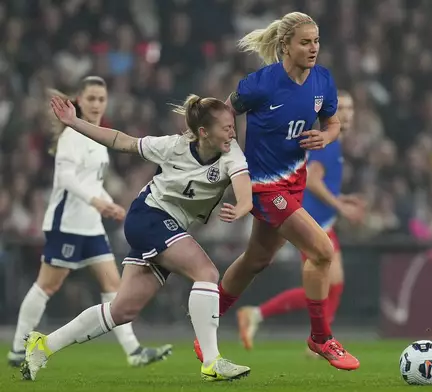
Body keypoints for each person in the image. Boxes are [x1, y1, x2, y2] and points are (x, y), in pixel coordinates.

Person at [21, 93, 252, 382]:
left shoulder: (232, 153)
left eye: (233, 126)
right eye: (226, 128)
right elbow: (121, 141)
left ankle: (43, 346)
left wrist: (242, 208)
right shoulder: (173, 146)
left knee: (122, 310)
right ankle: (212, 361)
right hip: (149, 216)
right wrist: (74, 121)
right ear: (204, 132)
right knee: (206, 272)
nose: (233, 132)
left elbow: (245, 193)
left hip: (170, 227)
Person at [213, 11, 360, 371]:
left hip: (293, 181)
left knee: (255, 261)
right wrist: (226, 157)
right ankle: (321, 337)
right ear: (285, 46)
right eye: (305, 42)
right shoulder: (260, 84)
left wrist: (325, 136)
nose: (313, 48)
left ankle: (207, 317)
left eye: (317, 41)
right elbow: (223, 114)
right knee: (322, 252)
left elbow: (334, 122)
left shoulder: (322, 81)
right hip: (264, 186)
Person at [7, 76, 171, 368]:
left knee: (113, 284)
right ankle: (19, 348)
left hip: (90, 225)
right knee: (47, 285)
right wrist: (98, 202)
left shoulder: (98, 137)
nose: (96, 104)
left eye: (101, 99)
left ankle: (133, 351)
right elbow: (67, 179)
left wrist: (109, 203)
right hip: (66, 224)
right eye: (91, 98)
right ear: (79, 101)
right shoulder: (72, 136)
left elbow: (91, 181)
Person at [193, 91, 364, 360]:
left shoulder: (334, 140)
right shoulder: (325, 142)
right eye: (341, 107)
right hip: (306, 215)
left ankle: (230, 315)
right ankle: (318, 337)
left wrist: (340, 200)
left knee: (259, 261)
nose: (346, 113)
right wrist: (340, 205)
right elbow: (313, 181)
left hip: (313, 213)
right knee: (323, 264)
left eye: (350, 108)